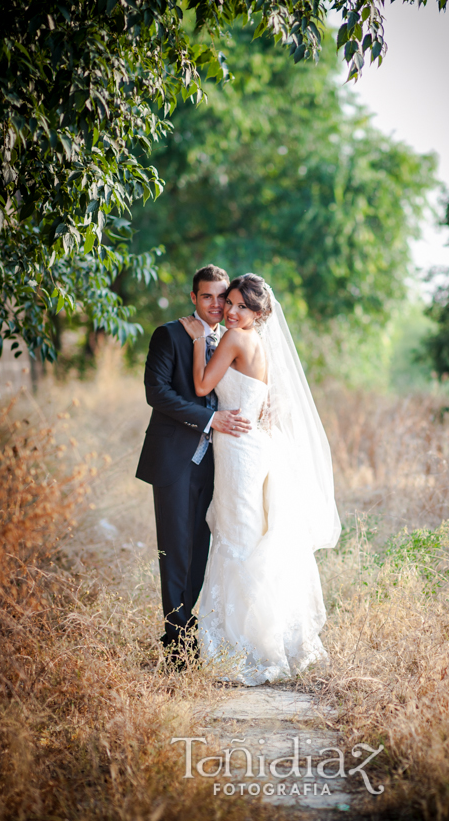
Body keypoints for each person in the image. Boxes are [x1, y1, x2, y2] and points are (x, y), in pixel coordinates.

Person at [179, 273, 341, 685]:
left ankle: (243, 645)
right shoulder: (261, 343)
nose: (231, 312)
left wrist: (199, 337)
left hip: (237, 451)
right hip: (252, 445)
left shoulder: (234, 339)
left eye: (242, 307)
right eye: (229, 303)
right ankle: (264, 637)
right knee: (248, 535)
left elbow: (201, 386)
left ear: (259, 312)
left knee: (237, 538)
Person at [135, 264, 252, 666]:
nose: (217, 304)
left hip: (219, 463)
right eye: (207, 297)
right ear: (194, 298)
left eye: (223, 297)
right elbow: (158, 394)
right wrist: (208, 419)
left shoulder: (236, 338)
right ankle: (177, 649)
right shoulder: (168, 335)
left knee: (202, 551)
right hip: (175, 458)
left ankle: (191, 630)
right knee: (176, 551)